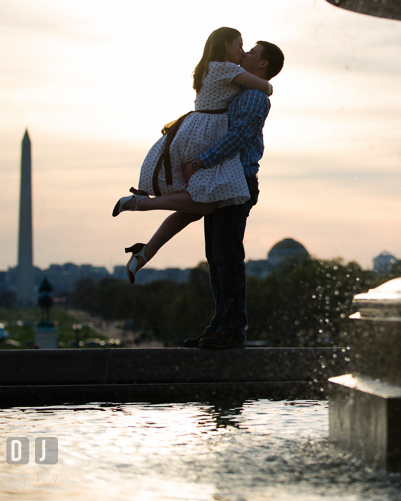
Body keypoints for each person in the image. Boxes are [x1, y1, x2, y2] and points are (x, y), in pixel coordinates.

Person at [111, 27, 273, 284]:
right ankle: (140, 204)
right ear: (225, 46)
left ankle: (146, 251)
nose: (243, 52)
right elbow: (266, 87)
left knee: (194, 208)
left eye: (249, 50)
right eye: (240, 46)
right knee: (204, 206)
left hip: (195, 132)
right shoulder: (229, 71)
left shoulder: (210, 68)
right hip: (206, 136)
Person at [182, 39, 284, 350]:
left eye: (252, 51)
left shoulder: (254, 95)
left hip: (236, 182)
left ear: (262, 64)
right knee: (216, 257)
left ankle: (233, 329)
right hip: (222, 181)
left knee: (227, 258)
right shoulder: (241, 89)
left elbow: (238, 136)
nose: (245, 53)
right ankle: (219, 324)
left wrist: (200, 161)